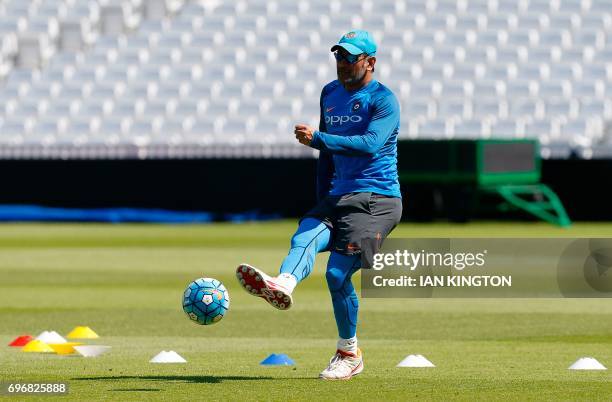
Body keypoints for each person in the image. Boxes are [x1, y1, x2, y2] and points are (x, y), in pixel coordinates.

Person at [236, 30, 402, 380]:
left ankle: (349, 353)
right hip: (338, 196)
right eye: (338, 57)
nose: (343, 64)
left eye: (350, 58)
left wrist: (318, 138)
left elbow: (371, 144)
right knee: (305, 234)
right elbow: (326, 155)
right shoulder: (329, 92)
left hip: (379, 201)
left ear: (370, 62)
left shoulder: (384, 100)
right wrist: (321, 200)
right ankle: (283, 283)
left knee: (337, 273)